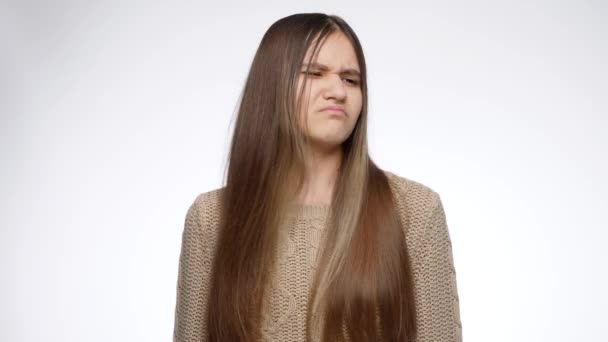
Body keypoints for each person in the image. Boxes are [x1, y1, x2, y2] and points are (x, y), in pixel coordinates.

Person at [173, 13, 462, 342]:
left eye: (351, 80)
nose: (338, 91)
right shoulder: (212, 218)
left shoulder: (414, 210)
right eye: (315, 73)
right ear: (272, 84)